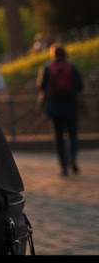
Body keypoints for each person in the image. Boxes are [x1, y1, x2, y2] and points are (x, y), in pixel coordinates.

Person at [37, 43, 84, 176]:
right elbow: (80, 86)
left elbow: (41, 86)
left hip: (54, 108)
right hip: (71, 106)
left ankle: (63, 166)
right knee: (73, 135)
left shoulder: (47, 68)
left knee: (58, 138)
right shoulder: (71, 67)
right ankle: (73, 159)